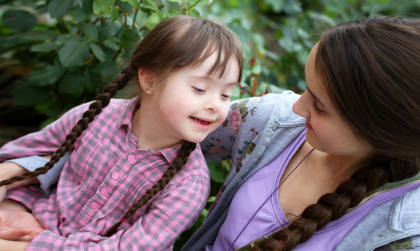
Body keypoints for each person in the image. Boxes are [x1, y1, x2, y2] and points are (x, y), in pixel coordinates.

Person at [3, 16, 420, 251]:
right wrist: (19, 194)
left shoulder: (404, 230)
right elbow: (62, 149)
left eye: (319, 105)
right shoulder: (266, 121)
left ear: (378, 126)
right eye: (305, 90)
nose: (297, 106)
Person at [0, 15, 243, 250]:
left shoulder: (189, 185)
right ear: (150, 80)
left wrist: (30, 245)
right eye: (200, 88)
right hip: (39, 215)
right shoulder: (96, 116)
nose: (215, 105)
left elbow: (127, 247)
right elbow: (24, 153)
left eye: (225, 95)